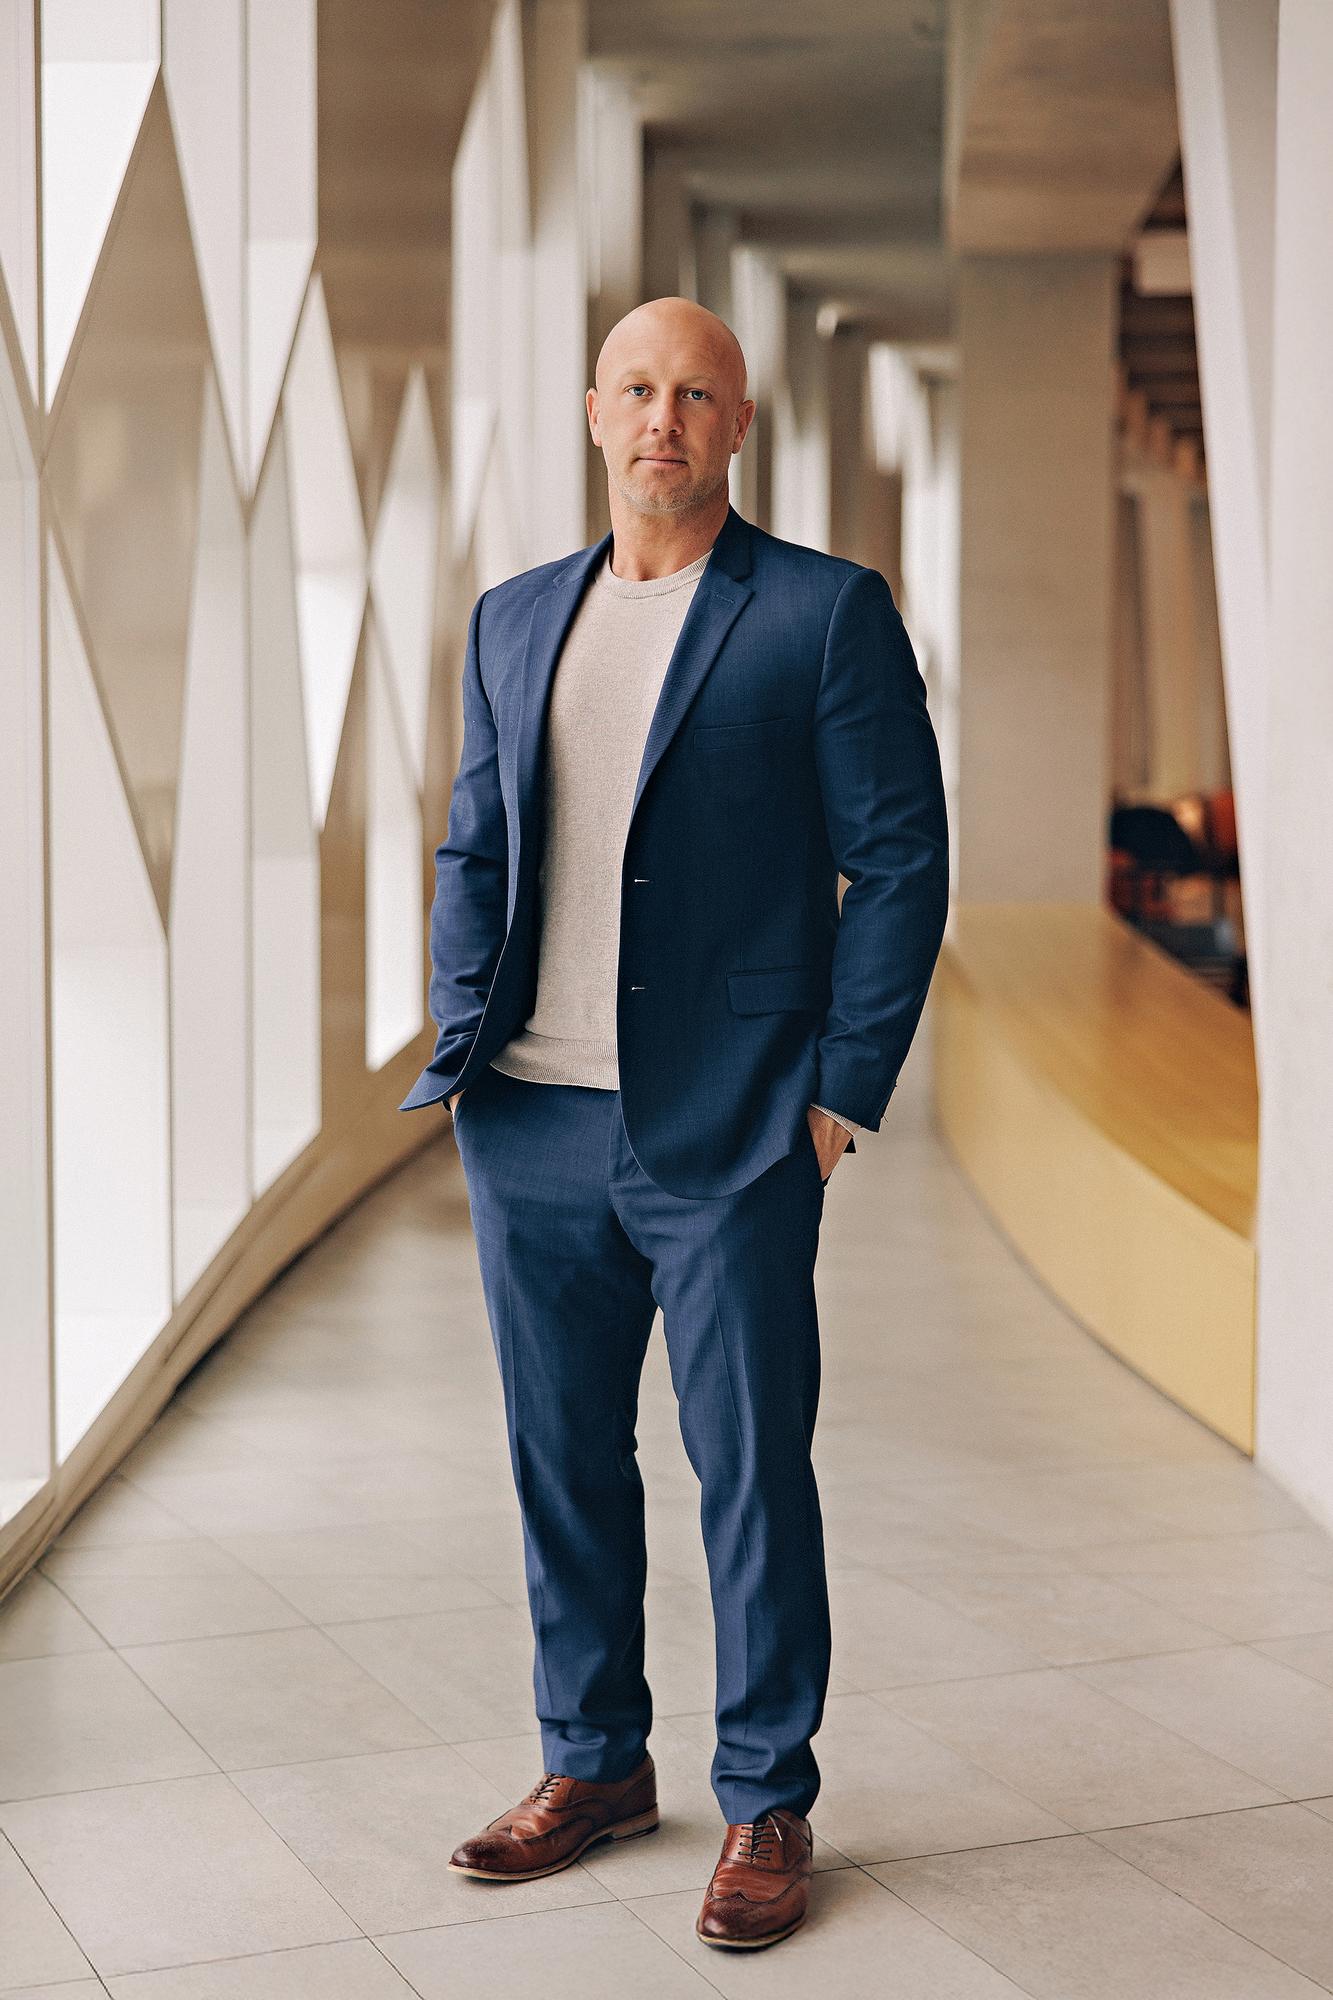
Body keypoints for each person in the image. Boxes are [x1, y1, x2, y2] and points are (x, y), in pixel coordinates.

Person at [398, 295, 949, 1949]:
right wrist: (461, 1036)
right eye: (636, 389)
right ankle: (592, 1764)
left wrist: (841, 1089)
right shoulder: (512, 618)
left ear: (736, 423)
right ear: (591, 414)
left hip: (733, 1129)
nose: (663, 418)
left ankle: (765, 1796)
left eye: (694, 393)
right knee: (560, 1459)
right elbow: (472, 842)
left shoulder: (823, 614)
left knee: (745, 1467)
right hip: (532, 1118)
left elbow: (900, 859)